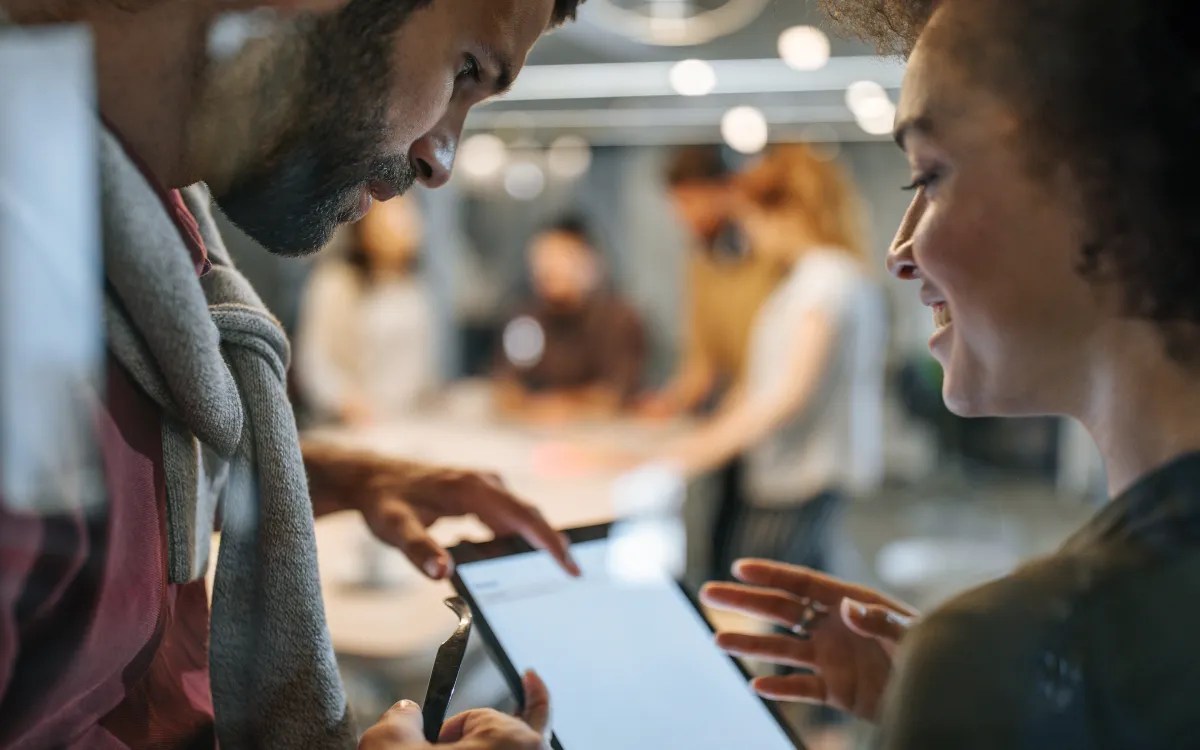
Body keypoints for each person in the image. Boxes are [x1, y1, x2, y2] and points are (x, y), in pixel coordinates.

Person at [0, 0, 585, 748]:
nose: (441, 160)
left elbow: (124, 492)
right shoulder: (31, 277)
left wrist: (336, 478)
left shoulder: (151, 234)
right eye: (465, 69)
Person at [703, 1, 1200, 747]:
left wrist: (977, 682)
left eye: (929, 175)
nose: (901, 251)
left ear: (1111, 179)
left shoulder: (1020, 649)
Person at [639, 145, 785, 418]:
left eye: (690, 201)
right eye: (677, 203)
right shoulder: (701, 263)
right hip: (738, 415)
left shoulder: (774, 258)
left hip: (773, 411)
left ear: (727, 191)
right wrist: (668, 404)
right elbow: (701, 365)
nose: (681, 215)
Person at [297, 196, 439, 425]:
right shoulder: (335, 281)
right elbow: (315, 363)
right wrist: (345, 401)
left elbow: (419, 371)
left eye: (405, 213)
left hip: (403, 423)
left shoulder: (414, 289)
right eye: (387, 214)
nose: (400, 223)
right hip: (349, 423)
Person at [494, 216, 646, 423]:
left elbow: (616, 394)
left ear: (591, 263)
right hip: (534, 433)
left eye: (562, 257)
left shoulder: (618, 319)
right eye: (541, 258)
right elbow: (506, 383)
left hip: (603, 437)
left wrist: (560, 404)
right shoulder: (527, 319)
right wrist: (521, 402)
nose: (549, 268)